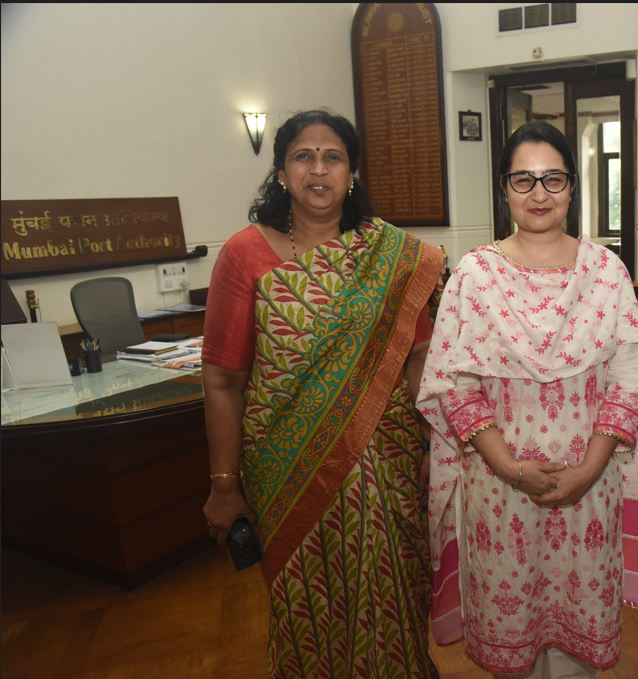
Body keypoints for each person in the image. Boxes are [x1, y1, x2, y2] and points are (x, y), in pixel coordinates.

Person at [201, 109, 443, 678]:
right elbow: (222, 380)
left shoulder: (389, 257)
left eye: (333, 157)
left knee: (391, 589)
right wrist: (224, 486)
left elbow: (418, 355)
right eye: (303, 157)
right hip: (287, 467)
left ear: (351, 173)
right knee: (306, 601)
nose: (318, 169)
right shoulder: (244, 254)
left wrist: (434, 444)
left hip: (385, 462)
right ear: (281, 173)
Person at [416, 121, 638, 678]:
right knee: (512, 645)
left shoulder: (605, 272)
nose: (539, 194)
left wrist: (588, 471)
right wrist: (510, 468)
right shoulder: (475, 275)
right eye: (523, 180)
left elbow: (629, 378)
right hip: (499, 490)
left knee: (575, 648)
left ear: (572, 186)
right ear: (504, 188)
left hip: (588, 486)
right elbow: (455, 384)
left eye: (553, 178)